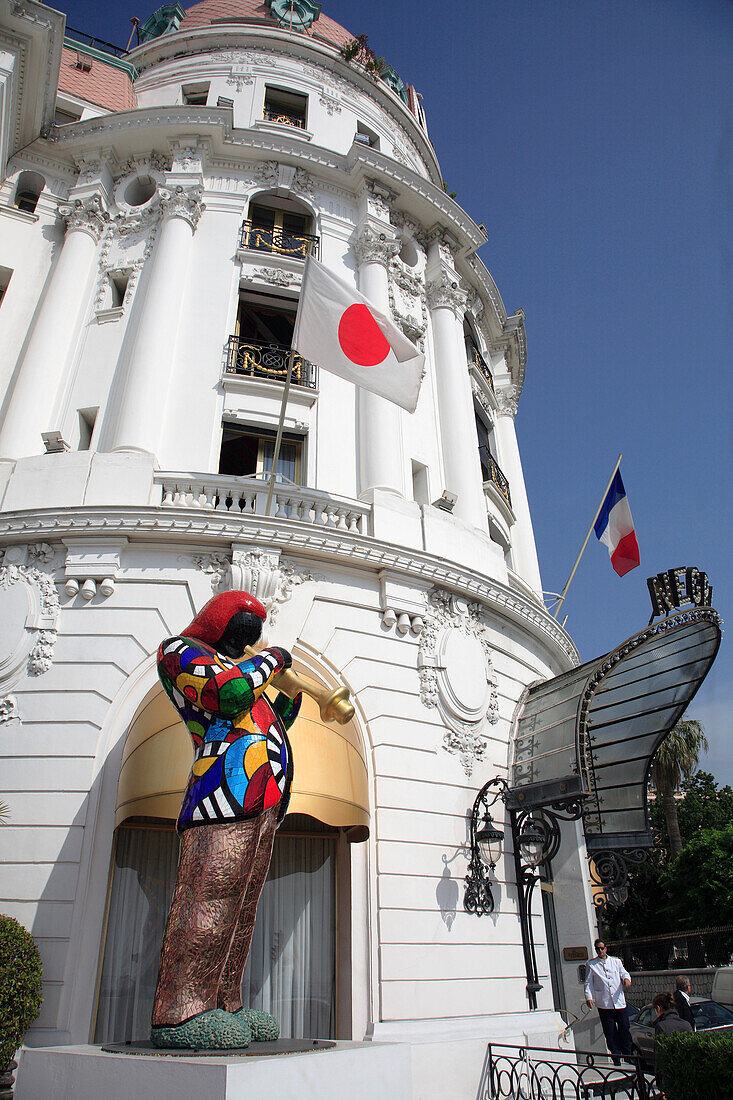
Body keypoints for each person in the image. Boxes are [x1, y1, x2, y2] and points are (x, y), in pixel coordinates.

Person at [150, 591, 302, 1049]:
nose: (251, 641)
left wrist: (292, 696)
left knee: (241, 910)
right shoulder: (181, 652)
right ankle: (180, 1012)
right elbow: (227, 693)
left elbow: (270, 718)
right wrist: (273, 660)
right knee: (210, 898)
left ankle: (224, 1001)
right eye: (246, 630)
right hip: (220, 795)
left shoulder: (241, 669)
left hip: (262, 800)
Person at [584, 937, 633, 1064]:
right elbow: (588, 983)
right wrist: (589, 997)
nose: (600, 951)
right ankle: (616, 1056)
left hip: (619, 1002)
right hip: (605, 1004)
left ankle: (628, 1055)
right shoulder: (591, 965)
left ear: (606, 948)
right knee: (610, 1032)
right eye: (597, 949)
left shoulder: (616, 962)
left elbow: (624, 973)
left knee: (624, 1028)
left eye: (602, 948)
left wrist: (627, 980)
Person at [652, 990, 693, 1094]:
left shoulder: (661, 1026)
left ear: (658, 1009)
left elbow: (660, 1056)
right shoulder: (686, 1024)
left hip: (671, 1077)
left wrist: (661, 1084)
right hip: (688, 1075)